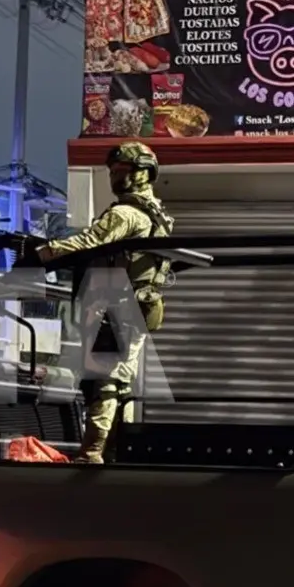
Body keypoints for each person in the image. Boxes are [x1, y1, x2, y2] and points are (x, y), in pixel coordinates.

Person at [34, 141, 174, 464]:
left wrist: (42, 253)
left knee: (105, 382)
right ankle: (111, 452)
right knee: (116, 383)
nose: (116, 177)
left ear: (143, 174)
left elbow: (90, 241)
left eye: (123, 171)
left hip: (119, 309)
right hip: (133, 307)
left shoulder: (127, 214)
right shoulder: (157, 215)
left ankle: (93, 453)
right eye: (114, 171)